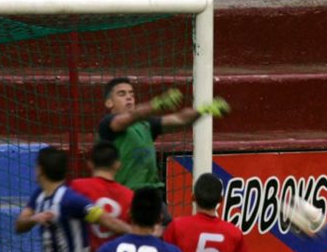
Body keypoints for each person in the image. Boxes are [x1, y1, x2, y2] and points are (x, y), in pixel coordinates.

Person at [98, 77, 230, 223]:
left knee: (167, 231)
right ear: (109, 103)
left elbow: (180, 119)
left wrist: (203, 111)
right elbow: (130, 117)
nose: (129, 97)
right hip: (126, 196)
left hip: (153, 194)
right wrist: (156, 104)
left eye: (131, 93)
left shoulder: (145, 124)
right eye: (122, 94)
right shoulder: (107, 123)